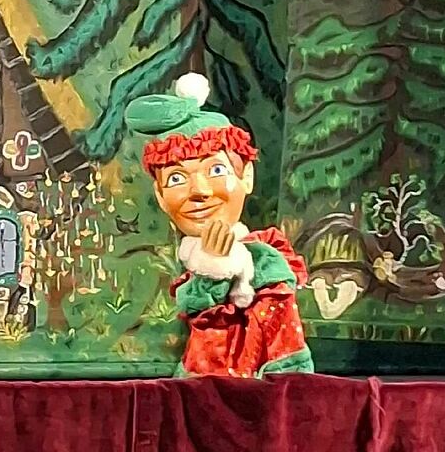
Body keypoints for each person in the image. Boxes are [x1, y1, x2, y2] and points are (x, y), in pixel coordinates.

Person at [125, 73, 314, 378]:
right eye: (177, 178)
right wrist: (211, 269)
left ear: (246, 177)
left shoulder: (265, 260)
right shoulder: (174, 269)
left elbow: (284, 338)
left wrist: (291, 387)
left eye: (215, 170)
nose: (199, 191)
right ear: (160, 196)